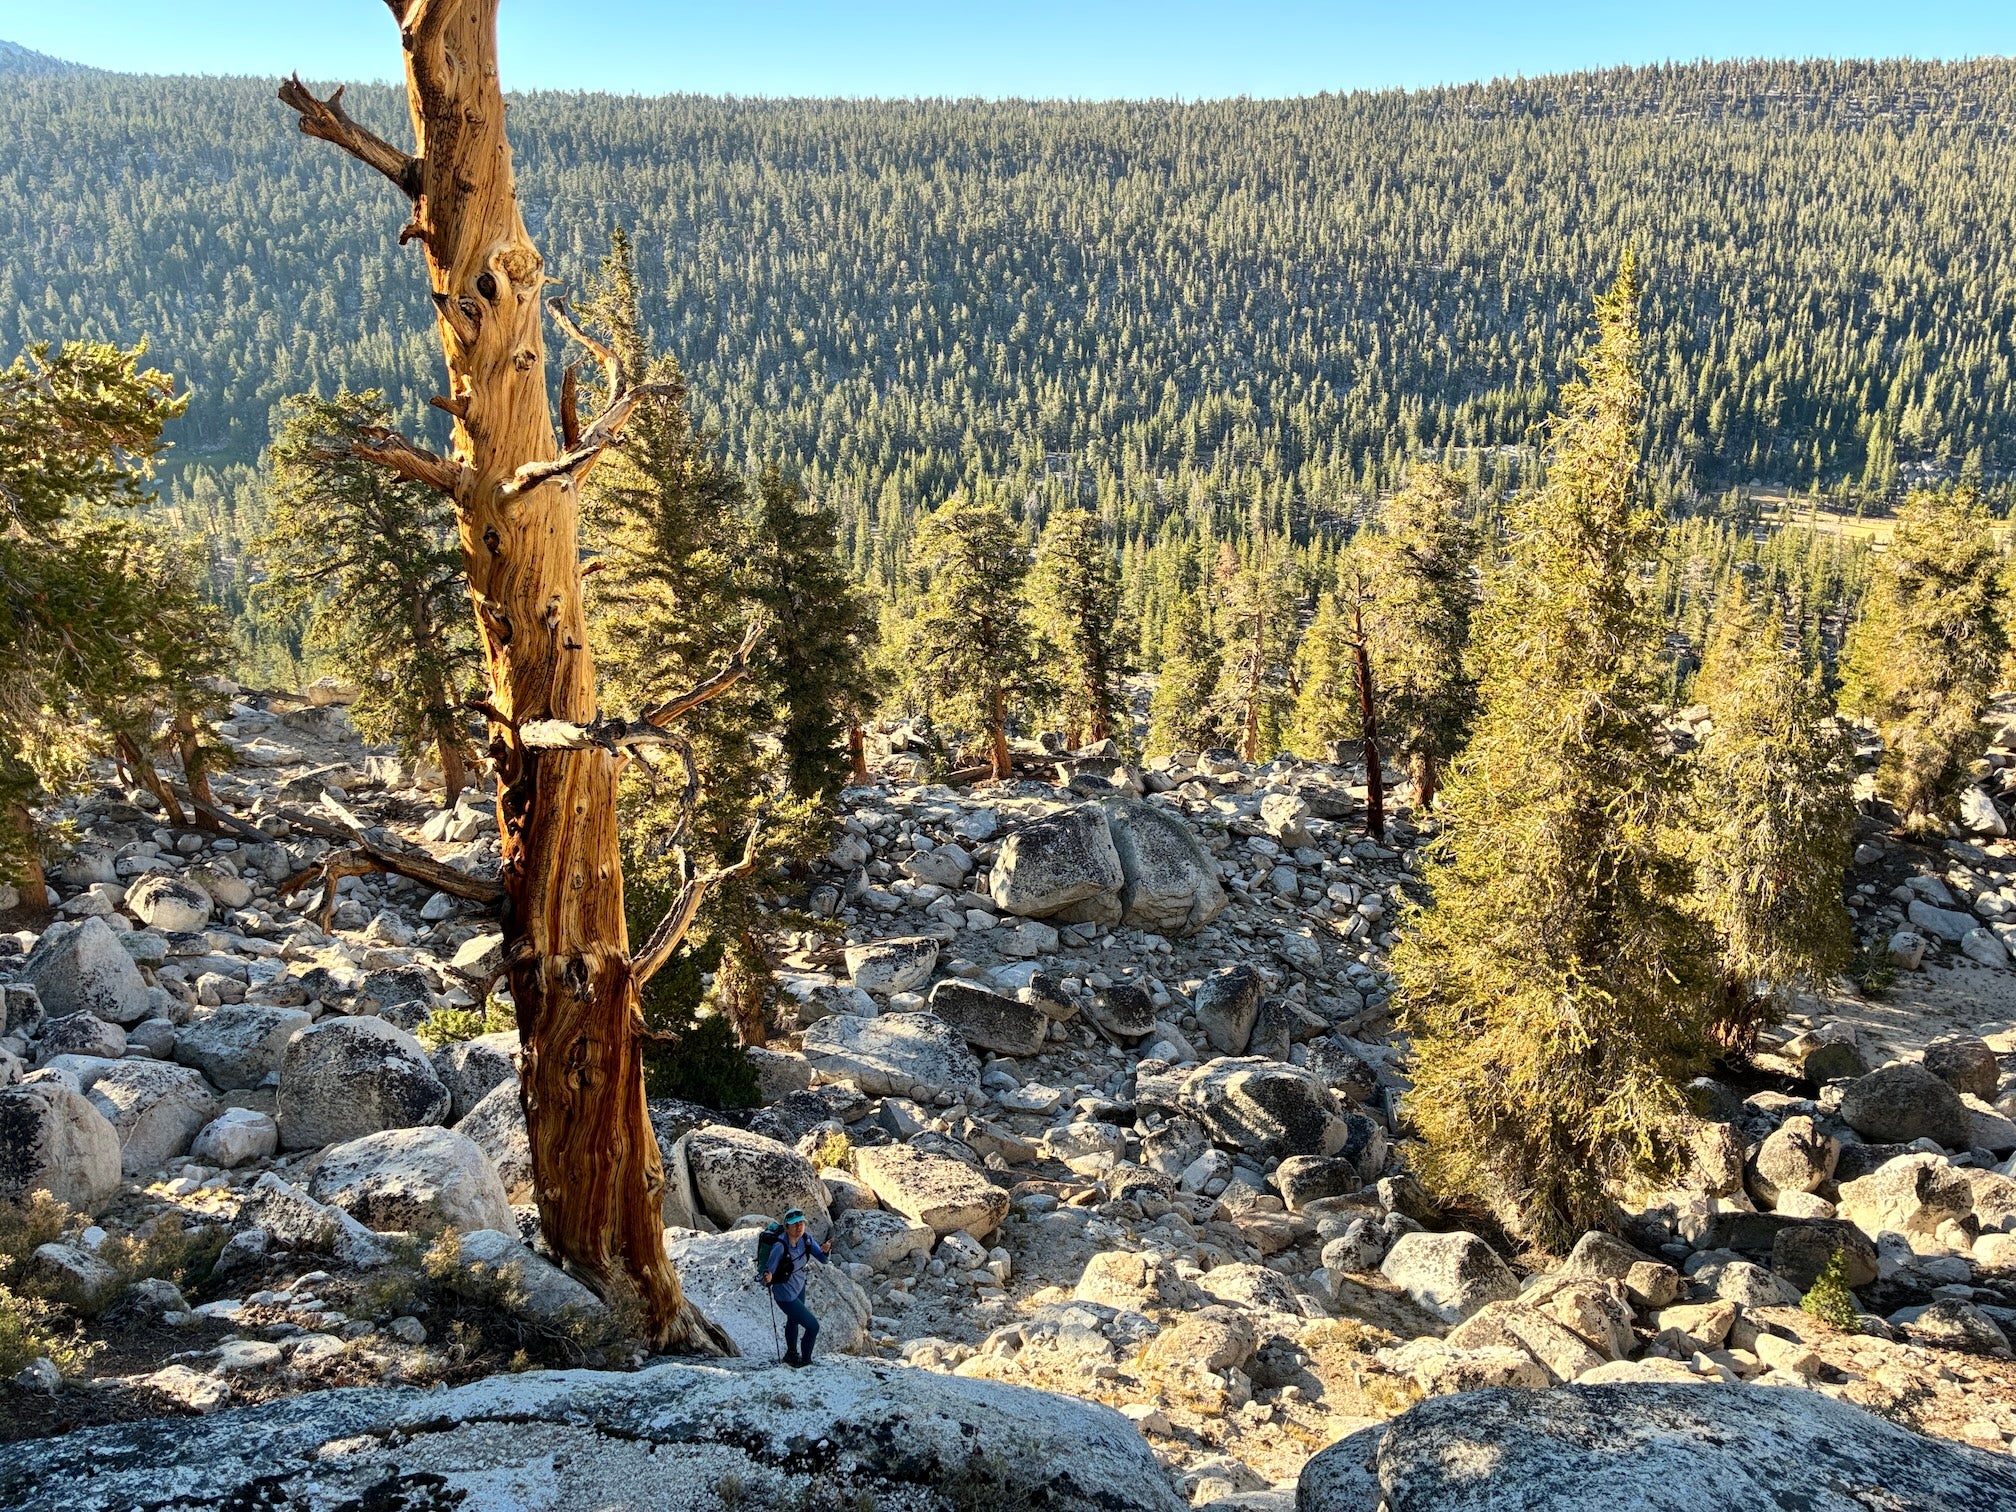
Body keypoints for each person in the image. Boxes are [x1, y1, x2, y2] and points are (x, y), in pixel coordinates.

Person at [761, 1208, 831, 1366]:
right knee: (813, 1326)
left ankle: (791, 1354)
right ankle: (806, 1362)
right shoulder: (780, 1246)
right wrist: (768, 1277)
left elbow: (823, 1259)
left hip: (799, 1286)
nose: (799, 1227)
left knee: (793, 1320)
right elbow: (766, 1274)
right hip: (785, 1295)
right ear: (786, 1227)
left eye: (801, 1223)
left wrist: (826, 1251)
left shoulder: (806, 1239)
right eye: (794, 1224)